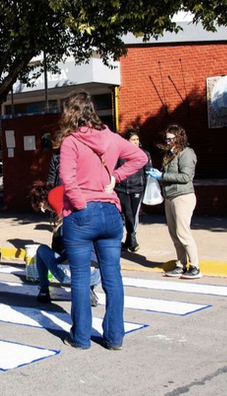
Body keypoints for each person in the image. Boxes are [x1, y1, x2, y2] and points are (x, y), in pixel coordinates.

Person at [57, 90, 147, 350]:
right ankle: (114, 337)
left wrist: (81, 205)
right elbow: (139, 158)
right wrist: (115, 178)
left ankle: (81, 337)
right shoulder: (112, 138)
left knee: (81, 278)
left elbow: (68, 179)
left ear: (71, 112)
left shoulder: (71, 142)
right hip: (110, 213)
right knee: (112, 278)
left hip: (81, 214)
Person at [148, 125, 201, 279]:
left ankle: (195, 266)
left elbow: (186, 177)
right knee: (174, 233)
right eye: (167, 139)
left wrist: (162, 176)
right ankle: (181, 263)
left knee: (183, 232)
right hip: (170, 197)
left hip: (182, 196)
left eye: (171, 139)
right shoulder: (170, 154)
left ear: (179, 138)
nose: (168, 141)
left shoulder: (186, 153)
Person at [35, 228, 102, 307]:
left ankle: (44, 291)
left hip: (69, 273)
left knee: (41, 249)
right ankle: (88, 289)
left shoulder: (64, 227)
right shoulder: (94, 227)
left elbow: (57, 253)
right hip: (94, 275)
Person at [114, 129, 152, 252]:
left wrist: (146, 189)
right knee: (126, 213)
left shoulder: (144, 154)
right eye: (132, 140)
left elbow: (148, 173)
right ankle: (131, 239)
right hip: (122, 188)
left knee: (133, 214)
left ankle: (131, 238)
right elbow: (114, 171)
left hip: (137, 188)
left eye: (137, 139)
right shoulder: (120, 155)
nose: (135, 142)